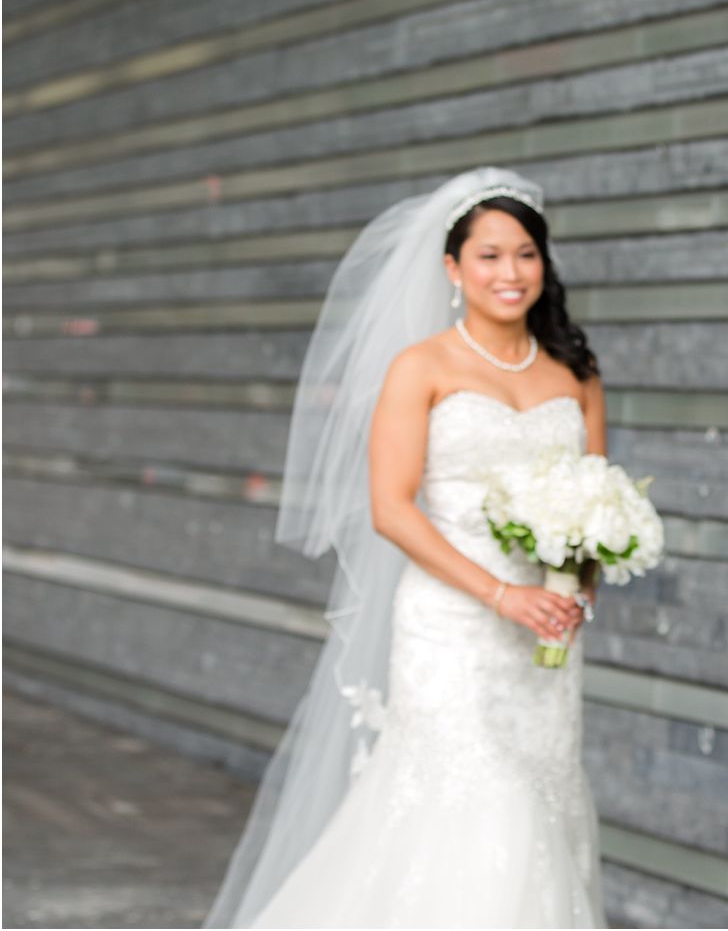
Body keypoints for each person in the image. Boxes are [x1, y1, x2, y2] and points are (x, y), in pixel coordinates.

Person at [206, 168, 607, 928]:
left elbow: (595, 503)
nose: (510, 273)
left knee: (543, 795)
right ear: (453, 268)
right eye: (489, 256)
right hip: (452, 627)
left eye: (525, 254)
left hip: (548, 634)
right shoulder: (421, 367)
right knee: (479, 799)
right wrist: (500, 594)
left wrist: (580, 588)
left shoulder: (576, 371)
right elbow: (391, 508)